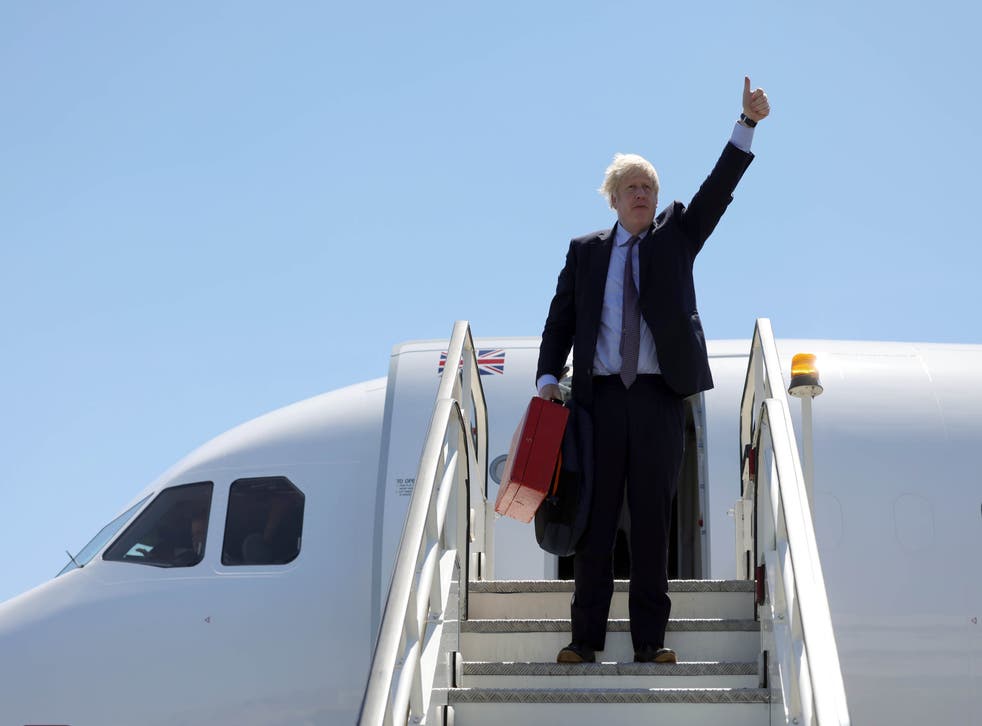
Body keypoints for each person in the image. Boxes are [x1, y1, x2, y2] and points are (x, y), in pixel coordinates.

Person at [536, 77, 769, 664]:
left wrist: (745, 125)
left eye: (649, 187)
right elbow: (559, 321)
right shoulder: (585, 252)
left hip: (660, 401)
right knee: (593, 525)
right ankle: (584, 641)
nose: (642, 194)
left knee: (650, 526)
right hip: (599, 403)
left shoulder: (675, 239)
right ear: (612, 199)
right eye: (631, 187)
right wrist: (546, 381)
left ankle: (650, 643)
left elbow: (717, 190)